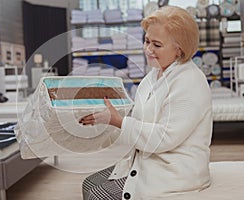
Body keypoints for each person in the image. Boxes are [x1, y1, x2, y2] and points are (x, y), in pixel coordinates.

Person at [80, 5, 213, 200]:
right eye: (146, 41)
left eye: (156, 45)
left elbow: (164, 137)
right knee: (89, 184)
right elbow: (142, 118)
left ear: (179, 49)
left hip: (173, 170)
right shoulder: (154, 76)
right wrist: (110, 116)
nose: (148, 50)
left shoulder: (190, 82)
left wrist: (118, 121)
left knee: (97, 195)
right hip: (148, 159)